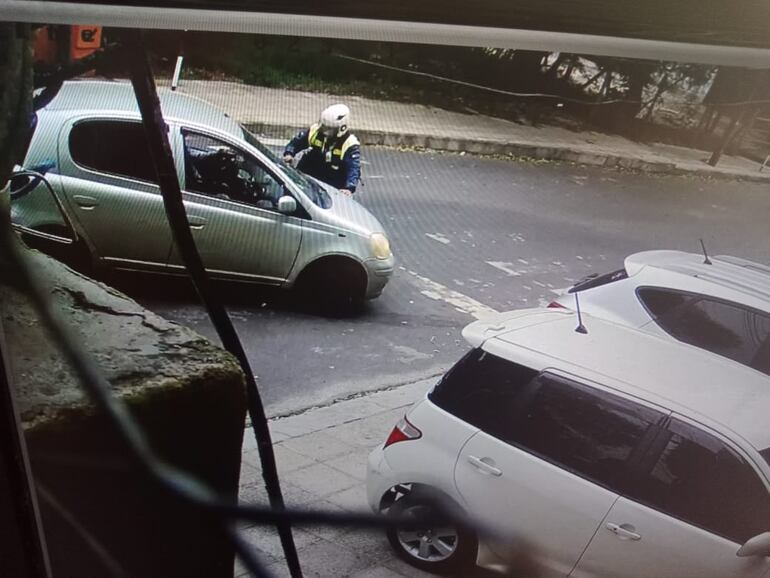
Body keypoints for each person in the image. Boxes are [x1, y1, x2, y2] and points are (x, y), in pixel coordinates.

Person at [283, 104, 361, 196]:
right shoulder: (315, 131)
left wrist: (349, 188)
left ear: (341, 128)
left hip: (333, 181)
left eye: (329, 129)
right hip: (309, 174)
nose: (324, 132)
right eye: (323, 127)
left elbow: (353, 168)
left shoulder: (350, 144)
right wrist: (289, 153)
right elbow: (296, 142)